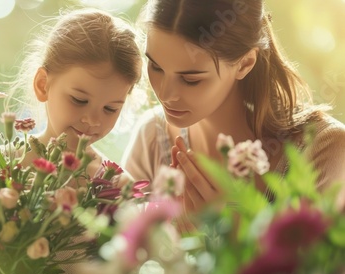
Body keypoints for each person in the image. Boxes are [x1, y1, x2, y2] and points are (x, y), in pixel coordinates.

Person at [121, 0, 345, 213]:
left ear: (245, 63)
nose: (165, 94)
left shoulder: (323, 148)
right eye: (156, 67)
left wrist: (226, 231)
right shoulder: (153, 135)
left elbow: (311, 253)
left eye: (191, 80)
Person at [5, 8, 142, 183]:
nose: (93, 120)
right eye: (79, 100)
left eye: (110, 109)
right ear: (42, 85)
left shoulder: (118, 187)